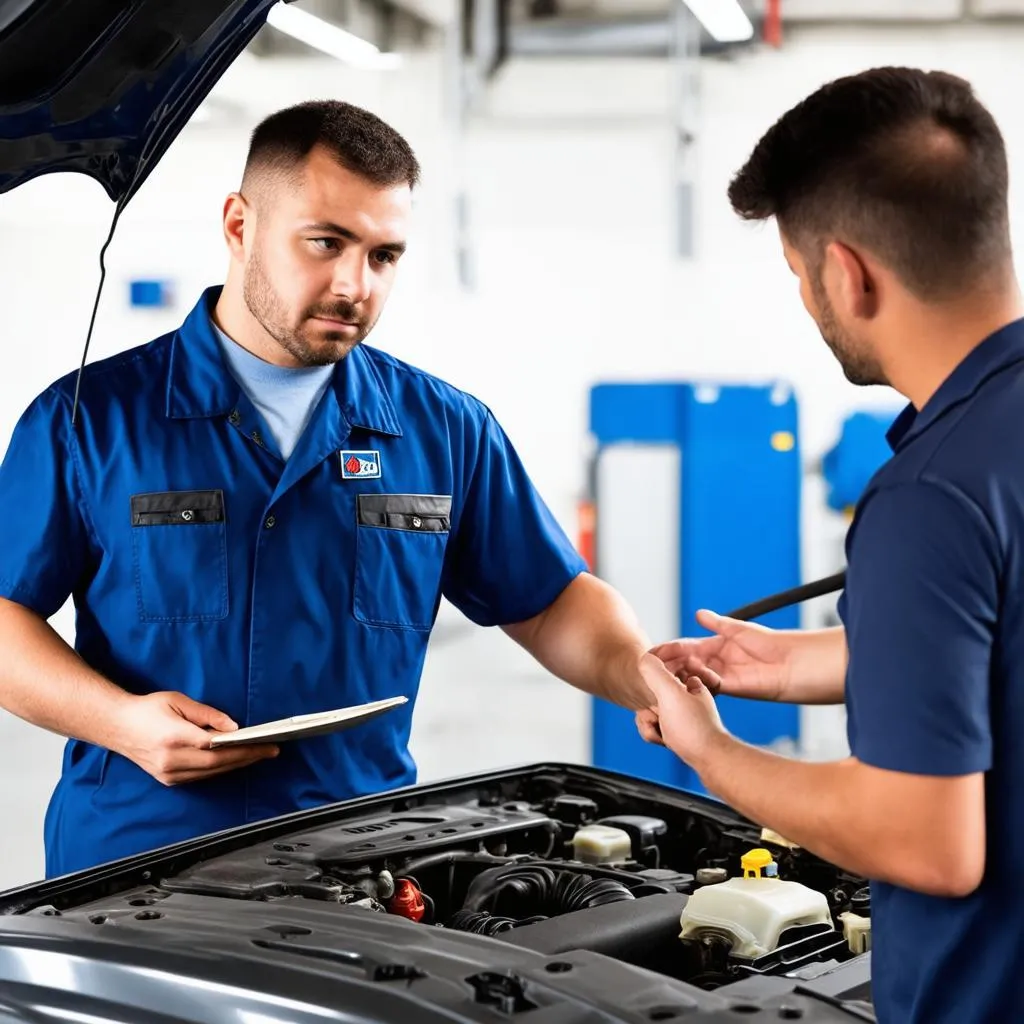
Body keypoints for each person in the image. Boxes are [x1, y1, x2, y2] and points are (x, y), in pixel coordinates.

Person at [0, 100, 674, 878]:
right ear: (239, 225)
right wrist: (120, 722)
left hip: (361, 866)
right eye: (325, 243)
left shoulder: (444, 430)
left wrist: (641, 673)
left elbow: (551, 601)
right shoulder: (89, 419)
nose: (355, 284)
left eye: (384, 256)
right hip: (136, 866)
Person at [639, 67, 1024, 1024]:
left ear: (846, 273)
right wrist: (796, 662)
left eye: (799, 276)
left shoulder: (930, 492)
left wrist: (713, 753)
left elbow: (928, 841)